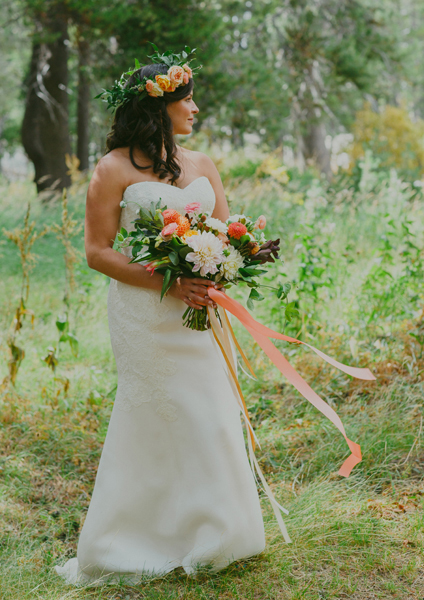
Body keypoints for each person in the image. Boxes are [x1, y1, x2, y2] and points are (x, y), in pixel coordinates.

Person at [55, 51, 267, 585]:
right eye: (186, 99)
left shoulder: (202, 165)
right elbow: (98, 251)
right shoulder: (113, 169)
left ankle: (218, 534)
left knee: (211, 411)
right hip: (144, 313)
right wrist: (168, 280)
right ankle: (132, 537)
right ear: (159, 107)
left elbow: (223, 232)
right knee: (156, 416)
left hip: (199, 309)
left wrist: (224, 264)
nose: (195, 107)